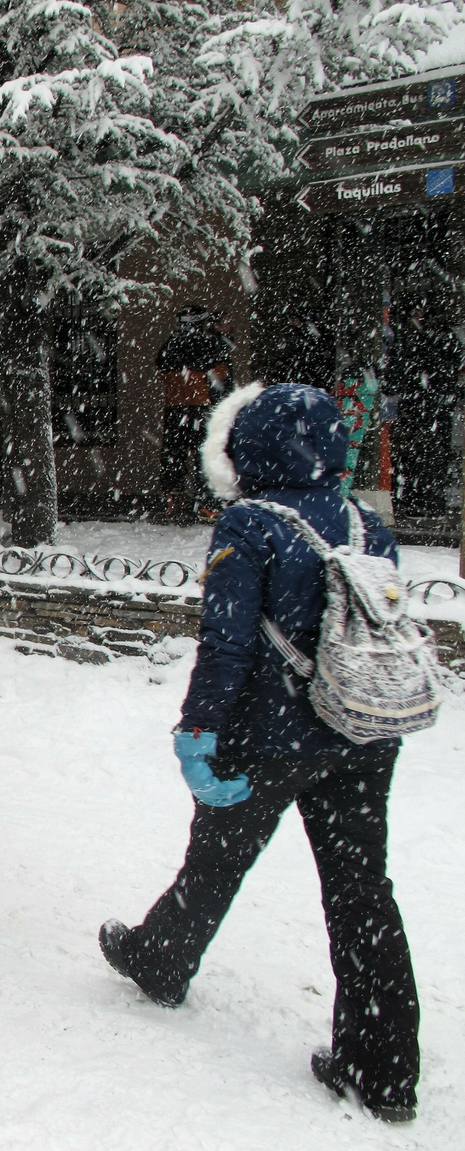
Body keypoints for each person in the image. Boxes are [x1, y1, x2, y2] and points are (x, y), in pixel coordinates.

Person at [99, 382, 420, 1122]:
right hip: (364, 730)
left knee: (215, 861)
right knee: (363, 892)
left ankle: (162, 961)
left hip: (270, 738)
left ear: (243, 449)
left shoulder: (251, 523)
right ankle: (384, 1069)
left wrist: (198, 729)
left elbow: (228, 643)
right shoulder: (365, 525)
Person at [387, 295, 462, 519]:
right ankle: (423, 499)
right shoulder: (428, 337)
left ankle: (423, 499)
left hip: (427, 402)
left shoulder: (423, 338)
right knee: (424, 453)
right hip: (428, 402)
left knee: (425, 453)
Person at [157, 308, 233, 518]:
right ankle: (206, 503)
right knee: (204, 457)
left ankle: (173, 500)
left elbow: (161, 368)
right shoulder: (210, 344)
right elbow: (221, 373)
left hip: (174, 407)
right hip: (201, 406)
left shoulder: (171, 344)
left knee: (174, 455)